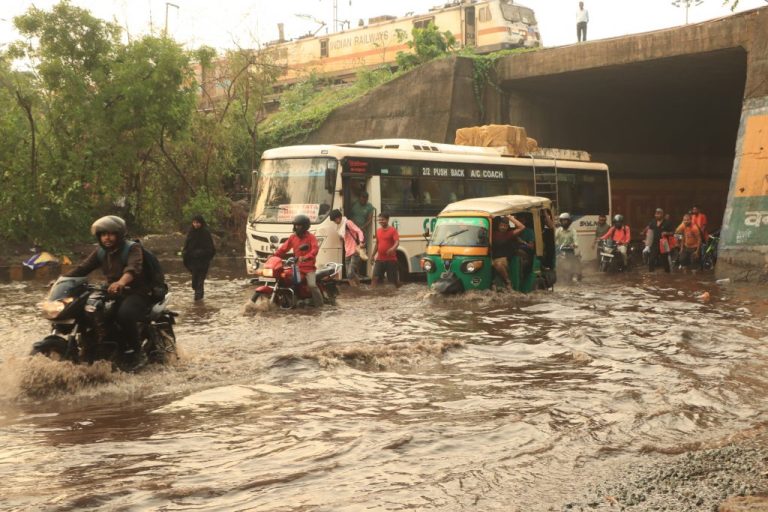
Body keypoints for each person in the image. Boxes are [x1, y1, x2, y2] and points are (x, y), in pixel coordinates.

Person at [65, 215, 150, 366]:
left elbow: (132, 269)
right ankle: (95, 345)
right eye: (103, 234)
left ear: (119, 235)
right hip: (112, 292)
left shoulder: (133, 248)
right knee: (88, 308)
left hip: (137, 292)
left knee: (124, 314)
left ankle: (138, 352)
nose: (107, 238)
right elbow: (83, 268)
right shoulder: (101, 252)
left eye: (110, 234)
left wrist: (121, 282)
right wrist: (61, 280)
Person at [274, 214, 323, 307]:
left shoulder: (311, 237)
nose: (297, 227)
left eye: (299, 225)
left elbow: (315, 250)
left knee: (312, 285)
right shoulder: (293, 237)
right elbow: (283, 249)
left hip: (309, 268)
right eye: (296, 225)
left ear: (305, 226)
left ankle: (320, 305)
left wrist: (306, 257)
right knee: (285, 279)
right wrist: (273, 256)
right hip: (297, 268)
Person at [182, 214, 216, 301]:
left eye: (197, 223)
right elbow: (187, 245)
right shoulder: (191, 232)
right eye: (194, 223)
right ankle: (198, 299)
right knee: (194, 283)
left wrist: (199, 253)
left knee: (200, 283)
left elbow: (210, 249)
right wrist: (185, 254)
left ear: (201, 223)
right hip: (193, 263)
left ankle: (198, 302)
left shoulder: (205, 233)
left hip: (203, 262)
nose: (196, 225)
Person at [329, 209, 365, 286]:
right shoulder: (339, 227)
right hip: (347, 252)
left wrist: (361, 242)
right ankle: (358, 288)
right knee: (350, 275)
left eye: (334, 220)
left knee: (350, 273)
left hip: (355, 251)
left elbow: (359, 231)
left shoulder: (348, 223)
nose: (335, 222)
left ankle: (356, 289)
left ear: (338, 217)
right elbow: (344, 238)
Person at [491, 214, 526, 288]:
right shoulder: (492, 233)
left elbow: (522, 227)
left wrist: (510, 217)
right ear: (498, 225)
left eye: (505, 226)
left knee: (498, 264)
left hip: (503, 259)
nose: (503, 227)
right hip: (489, 258)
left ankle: (507, 282)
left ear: (507, 227)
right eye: (501, 225)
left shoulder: (508, 234)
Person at [372, 213, 401, 288]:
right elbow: (377, 244)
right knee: (375, 278)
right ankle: (376, 295)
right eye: (379, 220)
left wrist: (392, 248)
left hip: (391, 260)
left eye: (383, 220)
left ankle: (396, 294)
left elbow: (397, 242)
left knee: (393, 282)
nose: (381, 221)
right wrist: (372, 255)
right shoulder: (378, 231)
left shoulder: (393, 230)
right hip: (379, 259)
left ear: (387, 220)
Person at [646, 208, 676, 272]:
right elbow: (650, 232)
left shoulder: (667, 222)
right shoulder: (653, 222)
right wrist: (647, 245)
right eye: (656, 213)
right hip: (654, 244)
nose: (656, 215)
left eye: (658, 213)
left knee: (665, 260)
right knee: (651, 260)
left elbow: (673, 232)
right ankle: (651, 275)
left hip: (664, 244)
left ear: (662, 214)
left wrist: (667, 233)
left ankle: (667, 275)